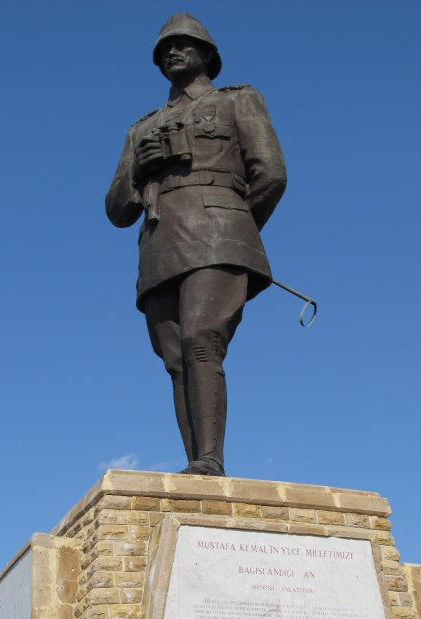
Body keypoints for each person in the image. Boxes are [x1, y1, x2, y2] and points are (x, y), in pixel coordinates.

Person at [106, 13, 286, 475]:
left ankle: (210, 461)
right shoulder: (140, 130)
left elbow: (271, 172)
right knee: (175, 360)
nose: (172, 52)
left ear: (207, 52)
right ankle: (197, 464)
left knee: (201, 338)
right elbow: (115, 210)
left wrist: (235, 230)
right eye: (164, 48)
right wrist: (138, 172)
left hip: (219, 237)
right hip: (159, 246)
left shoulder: (238, 101)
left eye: (183, 44)